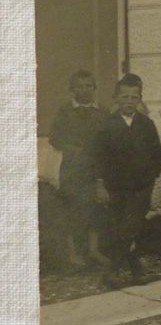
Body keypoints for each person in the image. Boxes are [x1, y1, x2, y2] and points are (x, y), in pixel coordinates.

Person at [91, 74, 161, 288]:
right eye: (125, 97)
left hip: (141, 186)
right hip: (117, 187)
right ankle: (135, 268)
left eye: (134, 97)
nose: (130, 102)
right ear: (116, 98)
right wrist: (100, 183)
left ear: (140, 98)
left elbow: (157, 153)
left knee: (130, 226)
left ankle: (111, 272)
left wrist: (153, 176)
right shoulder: (107, 125)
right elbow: (98, 157)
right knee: (121, 227)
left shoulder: (146, 124)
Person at [49, 69, 109, 268]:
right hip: (73, 169)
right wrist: (72, 148)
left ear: (94, 88)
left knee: (95, 208)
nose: (84, 90)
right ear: (72, 89)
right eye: (79, 86)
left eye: (88, 86)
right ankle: (73, 253)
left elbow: (108, 139)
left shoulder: (102, 112)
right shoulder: (65, 111)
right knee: (72, 210)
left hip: (95, 169)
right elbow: (54, 138)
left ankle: (93, 250)